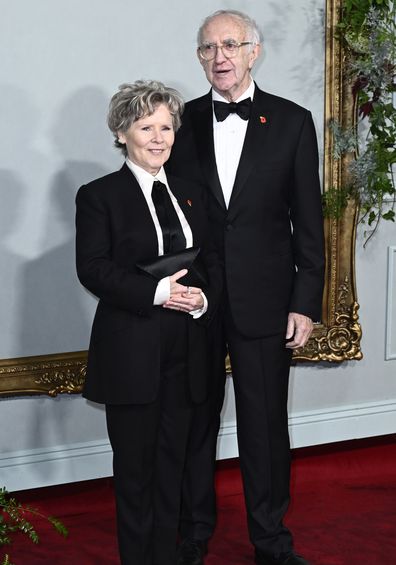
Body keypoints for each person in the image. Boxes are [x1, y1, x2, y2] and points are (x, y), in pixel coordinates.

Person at [166, 10, 325, 565]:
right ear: (200, 58)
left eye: (230, 45)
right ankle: (191, 537)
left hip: (266, 302)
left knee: (264, 428)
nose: (220, 57)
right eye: (208, 48)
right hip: (196, 302)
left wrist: (304, 302)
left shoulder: (293, 121)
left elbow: (309, 222)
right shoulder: (178, 123)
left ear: (254, 52)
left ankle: (271, 543)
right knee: (194, 424)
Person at [75, 80, 222, 565]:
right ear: (122, 133)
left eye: (166, 127)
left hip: (187, 351)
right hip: (132, 354)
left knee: (173, 470)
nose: (159, 138)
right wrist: (158, 292)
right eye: (145, 127)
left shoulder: (192, 193)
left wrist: (200, 298)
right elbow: (93, 268)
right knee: (136, 475)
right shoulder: (99, 195)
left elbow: (210, 262)